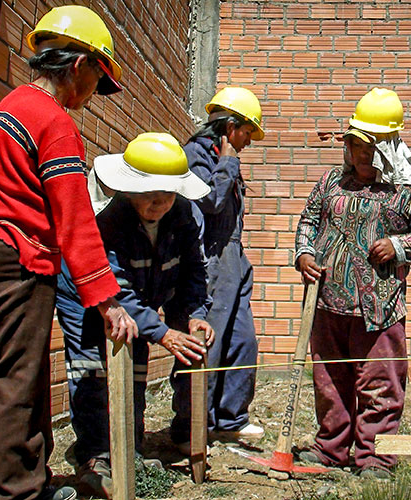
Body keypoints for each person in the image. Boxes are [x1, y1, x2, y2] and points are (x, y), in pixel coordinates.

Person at [0, 6, 137, 500]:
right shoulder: (55, 123)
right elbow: (75, 221)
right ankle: (11, 492)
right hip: (18, 254)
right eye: (95, 81)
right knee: (19, 380)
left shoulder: (11, 104)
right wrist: (107, 299)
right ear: (78, 65)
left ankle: (31, 481)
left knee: (29, 372)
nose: (90, 98)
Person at [292, 88, 411, 478]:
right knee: (330, 380)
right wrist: (305, 254)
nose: (361, 153)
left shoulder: (410, 190)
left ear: (388, 147)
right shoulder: (330, 182)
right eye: (356, 143)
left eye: (369, 146)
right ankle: (331, 448)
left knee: (380, 383)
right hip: (327, 302)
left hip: (380, 306)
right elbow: (309, 220)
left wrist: (397, 246)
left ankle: (375, 457)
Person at [55, 133, 215, 498]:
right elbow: (115, 286)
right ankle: (95, 455)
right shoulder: (109, 220)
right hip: (86, 295)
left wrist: (192, 315)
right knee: (91, 370)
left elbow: (193, 272)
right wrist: (162, 332)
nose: (157, 203)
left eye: (166, 195)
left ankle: (130, 447)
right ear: (128, 189)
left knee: (135, 369)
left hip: (138, 300)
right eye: (148, 194)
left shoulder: (185, 217)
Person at [168, 87, 267, 450]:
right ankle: (190, 426)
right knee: (207, 343)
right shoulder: (195, 154)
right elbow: (208, 200)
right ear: (230, 127)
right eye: (246, 133)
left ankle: (229, 419)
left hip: (232, 259)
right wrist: (227, 162)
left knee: (243, 342)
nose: (247, 143)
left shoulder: (222, 155)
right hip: (207, 261)